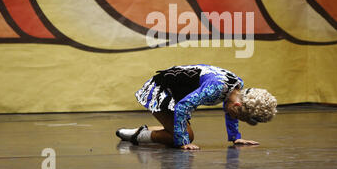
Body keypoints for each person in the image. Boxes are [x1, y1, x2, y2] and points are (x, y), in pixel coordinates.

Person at [116, 64, 277, 150]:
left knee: (180, 132)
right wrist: (183, 142)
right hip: (161, 90)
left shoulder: (236, 87)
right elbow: (182, 106)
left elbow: (229, 108)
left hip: (176, 95)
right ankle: (136, 135)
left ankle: (136, 133)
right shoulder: (217, 87)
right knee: (184, 136)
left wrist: (235, 137)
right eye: (238, 117)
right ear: (237, 105)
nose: (235, 118)